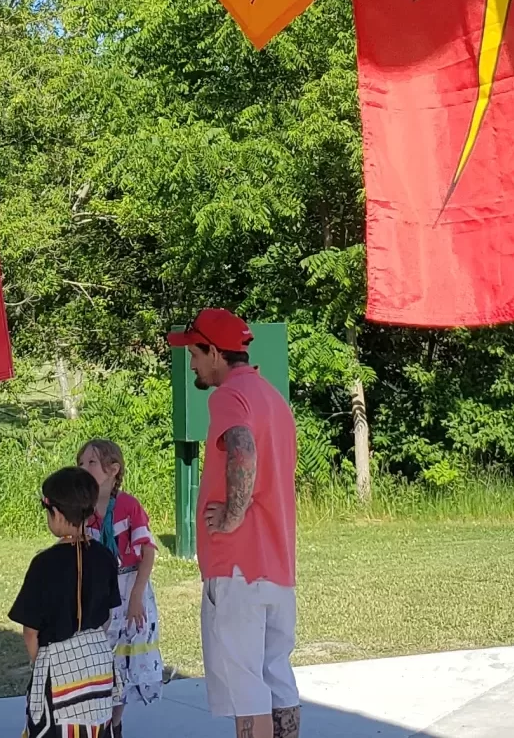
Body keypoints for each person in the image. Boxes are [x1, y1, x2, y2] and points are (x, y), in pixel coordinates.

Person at [167, 309, 299, 738]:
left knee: (247, 691)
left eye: (194, 353)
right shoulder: (273, 399)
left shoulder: (227, 396)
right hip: (277, 565)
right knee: (277, 680)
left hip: (238, 569)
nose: (192, 364)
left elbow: (241, 444)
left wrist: (232, 513)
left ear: (214, 352)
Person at [10, 465, 122, 738]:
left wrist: (41, 664)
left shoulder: (44, 564)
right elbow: (107, 617)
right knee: (95, 729)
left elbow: (31, 631)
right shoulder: (105, 556)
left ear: (57, 514)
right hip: (98, 667)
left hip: (57, 673)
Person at [78, 438, 164, 730]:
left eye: (91, 462)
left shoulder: (128, 506)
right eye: (81, 463)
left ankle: (115, 723)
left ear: (113, 469)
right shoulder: (82, 511)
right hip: (98, 589)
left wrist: (137, 595)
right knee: (99, 654)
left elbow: (147, 551)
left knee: (125, 656)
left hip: (128, 586)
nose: (84, 468)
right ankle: (100, 722)